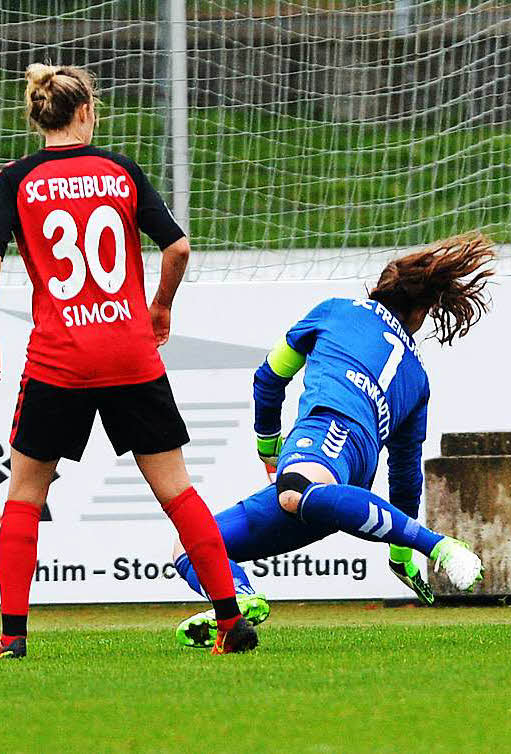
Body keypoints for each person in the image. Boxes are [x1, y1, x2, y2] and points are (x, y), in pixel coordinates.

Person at [0, 64, 257, 658]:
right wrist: (159, 308)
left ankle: (12, 635)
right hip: (128, 351)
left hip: (59, 357)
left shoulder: (15, 181)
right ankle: (229, 619)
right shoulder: (120, 171)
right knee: (176, 489)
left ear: (38, 115)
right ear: (87, 111)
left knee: (24, 494)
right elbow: (178, 246)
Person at [171, 235, 492, 647]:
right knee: (191, 546)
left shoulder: (335, 311)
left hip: (326, 432)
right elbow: (406, 474)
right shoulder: (418, 377)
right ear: (422, 309)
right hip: (348, 480)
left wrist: (268, 444)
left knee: (293, 492)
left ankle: (443, 548)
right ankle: (240, 603)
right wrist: (399, 554)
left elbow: (269, 378)